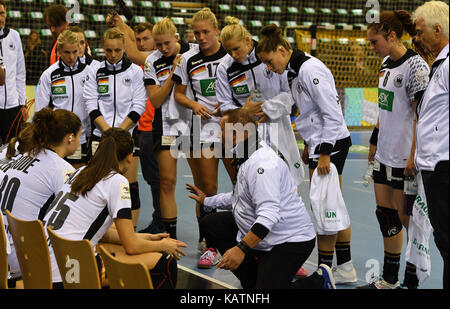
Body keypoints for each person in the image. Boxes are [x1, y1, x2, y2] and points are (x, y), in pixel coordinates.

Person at [186, 108, 335, 289]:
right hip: (268, 238)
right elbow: (241, 197)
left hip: (289, 241)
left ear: (236, 133)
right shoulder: (246, 154)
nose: (218, 135)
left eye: (222, 130)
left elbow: (268, 215)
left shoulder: (262, 164)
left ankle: (318, 282)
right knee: (213, 223)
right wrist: (207, 201)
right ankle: (254, 281)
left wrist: (240, 250)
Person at [256, 24, 357, 284]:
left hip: (331, 144)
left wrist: (323, 151)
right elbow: (311, 113)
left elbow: (332, 114)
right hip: (321, 142)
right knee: (330, 205)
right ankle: (343, 266)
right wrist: (308, 145)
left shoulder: (309, 69)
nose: (269, 67)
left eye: (269, 61)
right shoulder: (293, 71)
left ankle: (326, 270)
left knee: (324, 207)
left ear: (281, 50)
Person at [42, 127, 187, 289]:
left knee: (111, 249)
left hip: (47, 264)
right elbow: (132, 247)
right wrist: (163, 246)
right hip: (71, 270)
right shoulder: (116, 181)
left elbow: (106, 235)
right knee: (166, 263)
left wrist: (146, 237)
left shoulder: (81, 172)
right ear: (130, 157)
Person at [355, 11, 432, 289]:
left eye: (375, 41)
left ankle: (411, 282)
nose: (372, 47)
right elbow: (385, 107)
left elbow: (421, 116)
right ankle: (389, 280)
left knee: (409, 221)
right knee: (385, 215)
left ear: (391, 36)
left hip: (405, 159)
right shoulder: (386, 64)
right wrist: (375, 139)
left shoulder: (416, 67)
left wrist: (413, 156)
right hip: (385, 156)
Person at [172, 8, 236, 269]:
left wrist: (231, 107)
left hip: (232, 128)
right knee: (207, 189)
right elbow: (178, 94)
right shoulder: (189, 60)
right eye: (196, 33)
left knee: (242, 186)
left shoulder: (231, 55)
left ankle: (243, 240)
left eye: (205, 32)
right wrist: (194, 105)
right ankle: (210, 245)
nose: (200, 37)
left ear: (216, 30)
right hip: (203, 129)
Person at [0, 108, 81, 278]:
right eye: (80, 135)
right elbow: (78, 223)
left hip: (5, 248)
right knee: (92, 254)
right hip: (22, 257)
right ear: (70, 137)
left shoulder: (24, 156)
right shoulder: (61, 170)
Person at [83, 27, 147, 229]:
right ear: (103, 48)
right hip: (99, 136)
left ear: (124, 49)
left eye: (117, 50)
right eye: (109, 50)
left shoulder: (135, 71)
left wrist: (119, 132)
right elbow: (91, 104)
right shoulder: (94, 70)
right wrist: (107, 132)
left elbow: (139, 105)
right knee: (97, 186)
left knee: (130, 187)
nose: (113, 55)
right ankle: (101, 230)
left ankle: (131, 231)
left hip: (127, 136)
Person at [412, 0, 449, 290]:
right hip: (435, 167)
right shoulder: (439, 63)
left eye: (420, 30)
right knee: (444, 240)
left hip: (445, 167)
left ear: (438, 30)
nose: (416, 37)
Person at [35, 30, 91, 169]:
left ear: (80, 49)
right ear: (59, 50)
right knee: (57, 178)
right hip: (56, 140)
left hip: (81, 138)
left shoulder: (90, 72)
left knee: (77, 180)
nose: (71, 57)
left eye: (75, 51)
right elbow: (40, 111)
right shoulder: (49, 75)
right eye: (66, 52)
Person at [132, 22, 163, 234]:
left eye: (146, 39)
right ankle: (158, 218)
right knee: (151, 178)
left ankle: (161, 220)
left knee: (160, 178)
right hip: (140, 128)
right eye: (139, 40)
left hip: (156, 128)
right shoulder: (136, 66)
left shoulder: (156, 61)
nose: (142, 44)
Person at [0, 0, 27, 145]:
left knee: (11, 150)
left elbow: (20, 72)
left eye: (2, 13)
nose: (0, 18)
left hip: (12, 106)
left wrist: (22, 103)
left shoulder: (14, 36)